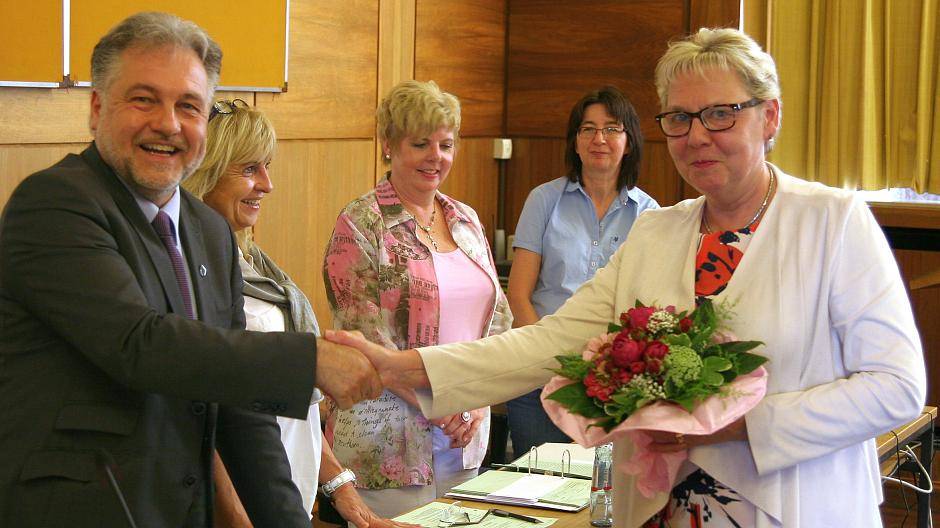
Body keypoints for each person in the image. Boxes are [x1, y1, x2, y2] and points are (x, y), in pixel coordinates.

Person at [326, 28, 927, 528]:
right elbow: (550, 341)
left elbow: (896, 386)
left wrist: (736, 425)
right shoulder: (658, 232)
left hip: (791, 508)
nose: (697, 135)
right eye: (680, 118)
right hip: (661, 508)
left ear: (769, 116)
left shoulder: (832, 221)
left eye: (721, 114)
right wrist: (407, 368)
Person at [0, 12, 380, 528]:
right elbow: (140, 344)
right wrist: (309, 358)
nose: (168, 123)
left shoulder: (209, 229)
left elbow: (241, 409)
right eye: (143, 99)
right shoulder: (54, 204)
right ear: (95, 108)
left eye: (188, 106)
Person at [183, 100, 406, 528]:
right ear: (204, 175)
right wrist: (238, 516)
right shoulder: (192, 276)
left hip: (286, 499)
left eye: (267, 167)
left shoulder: (257, 265)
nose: (267, 184)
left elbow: (300, 409)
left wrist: (345, 495)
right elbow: (206, 414)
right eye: (249, 169)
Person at [322, 80, 512, 518]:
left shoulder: (465, 218)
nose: (436, 157)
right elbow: (367, 342)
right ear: (388, 145)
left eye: (446, 144)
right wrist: (444, 403)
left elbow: (496, 321)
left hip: (465, 437)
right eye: (421, 143)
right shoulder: (359, 224)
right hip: (389, 442)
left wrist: (477, 401)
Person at [506, 86, 658, 456]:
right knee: (536, 492)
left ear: (630, 142)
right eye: (587, 129)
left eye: (611, 129)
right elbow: (519, 294)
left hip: (611, 385)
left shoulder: (651, 215)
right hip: (538, 377)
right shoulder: (544, 200)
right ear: (575, 142)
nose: (598, 139)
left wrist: (598, 372)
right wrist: (548, 359)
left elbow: (646, 310)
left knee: (599, 496)